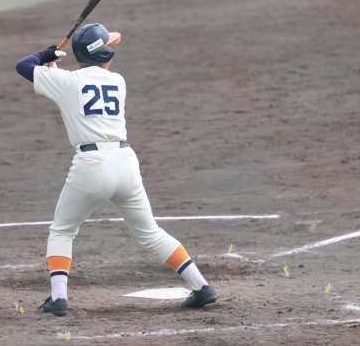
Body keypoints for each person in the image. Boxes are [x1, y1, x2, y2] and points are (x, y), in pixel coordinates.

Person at [15, 23, 217, 316]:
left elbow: (24, 66)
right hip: (125, 164)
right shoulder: (118, 81)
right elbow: (81, 82)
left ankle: (58, 298)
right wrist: (54, 68)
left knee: (62, 231)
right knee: (150, 232)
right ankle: (201, 286)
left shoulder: (66, 81)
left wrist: (46, 56)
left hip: (90, 167)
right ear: (104, 53)